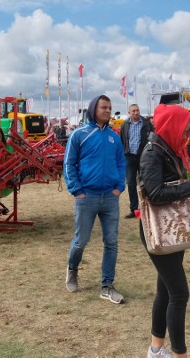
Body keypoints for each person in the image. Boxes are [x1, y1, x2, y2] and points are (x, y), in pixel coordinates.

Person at [139, 104, 190, 358]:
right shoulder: (152, 153)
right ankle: (179, 355)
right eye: (184, 128)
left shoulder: (168, 149)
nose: (187, 134)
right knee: (179, 294)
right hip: (159, 230)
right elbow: (156, 194)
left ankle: (156, 349)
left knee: (166, 291)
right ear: (171, 126)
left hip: (172, 229)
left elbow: (171, 183)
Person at [63, 94, 127, 304]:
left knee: (111, 242)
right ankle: (72, 269)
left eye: (109, 108)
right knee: (81, 241)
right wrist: (76, 190)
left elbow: (121, 163)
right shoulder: (79, 135)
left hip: (110, 197)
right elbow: (69, 164)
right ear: (93, 109)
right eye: (103, 108)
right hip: (86, 196)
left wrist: (119, 187)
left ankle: (107, 286)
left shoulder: (114, 136)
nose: (107, 111)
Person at [120, 103, 153, 219]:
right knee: (131, 183)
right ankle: (134, 209)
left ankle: (147, 208)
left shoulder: (146, 123)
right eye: (133, 111)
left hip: (143, 157)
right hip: (129, 157)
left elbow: (152, 139)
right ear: (129, 113)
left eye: (137, 110)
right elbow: (122, 140)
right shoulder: (124, 125)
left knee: (146, 183)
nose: (136, 112)